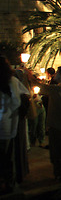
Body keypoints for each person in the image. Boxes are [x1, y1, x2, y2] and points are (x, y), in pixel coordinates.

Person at [0, 56, 30, 194]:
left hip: (5, 124)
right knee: (7, 156)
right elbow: (19, 100)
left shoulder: (11, 82)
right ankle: (9, 183)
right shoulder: (12, 81)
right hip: (9, 124)